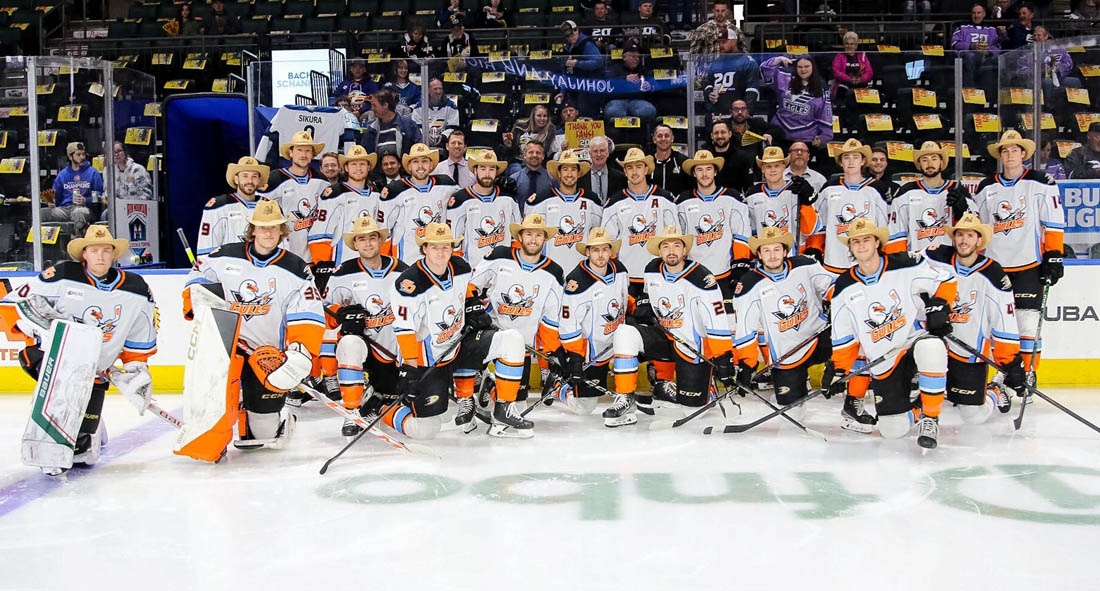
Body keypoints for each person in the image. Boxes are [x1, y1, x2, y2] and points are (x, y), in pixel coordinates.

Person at [1, 225, 157, 475]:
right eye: (94, 250)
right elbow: (15, 303)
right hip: (55, 362)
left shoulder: (136, 289)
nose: (100, 256)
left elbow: (140, 335)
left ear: (114, 255)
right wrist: (34, 326)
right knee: (58, 402)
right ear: (84, 253)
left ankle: (92, 427)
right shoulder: (62, 274)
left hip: (97, 371)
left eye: (106, 251)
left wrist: (135, 369)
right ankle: (49, 442)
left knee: (82, 452)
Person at [181, 201, 324, 456]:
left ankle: (267, 417)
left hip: (267, 355)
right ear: (252, 230)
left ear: (282, 231)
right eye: (262, 227)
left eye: (274, 228)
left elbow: (308, 314)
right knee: (211, 426)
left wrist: (299, 352)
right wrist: (199, 300)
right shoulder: (224, 255)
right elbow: (198, 278)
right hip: (224, 350)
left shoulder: (296, 268)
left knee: (263, 435)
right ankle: (217, 431)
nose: (268, 233)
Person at [385, 222, 527, 438]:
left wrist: (473, 305)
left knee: (513, 340)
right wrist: (411, 371)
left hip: (459, 345)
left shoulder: (460, 267)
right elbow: (405, 330)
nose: (441, 252)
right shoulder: (409, 283)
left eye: (446, 247)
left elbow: (468, 289)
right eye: (434, 247)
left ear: (452, 248)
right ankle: (379, 408)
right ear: (424, 248)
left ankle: (504, 409)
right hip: (429, 360)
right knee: (426, 429)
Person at [824, 218, 957, 448]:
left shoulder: (905, 264)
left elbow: (946, 279)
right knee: (892, 430)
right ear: (851, 247)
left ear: (877, 242)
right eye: (856, 241)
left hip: (912, 342)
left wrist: (940, 306)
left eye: (867, 239)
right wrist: (837, 370)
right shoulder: (843, 287)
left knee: (932, 347)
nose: (862, 245)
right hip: (883, 358)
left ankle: (930, 416)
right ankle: (919, 408)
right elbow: (844, 338)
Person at [606, 225, 734, 426]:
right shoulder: (651, 270)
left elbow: (716, 320)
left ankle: (705, 389)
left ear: (685, 251)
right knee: (624, 332)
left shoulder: (703, 279)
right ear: (660, 251)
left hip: (691, 346)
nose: (671, 251)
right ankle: (626, 397)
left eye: (677, 246)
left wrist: (723, 357)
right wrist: (645, 302)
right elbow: (649, 295)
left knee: (693, 409)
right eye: (666, 246)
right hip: (664, 337)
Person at [972, 130, 1064, 382]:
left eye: (1014, 150)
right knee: (998, 323)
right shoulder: (986, 187)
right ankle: (1005, 373)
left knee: (1026, 323)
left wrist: (1054, 254)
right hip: (994, 267)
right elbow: (978, 228)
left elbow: (1053, 222)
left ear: (1023, 153)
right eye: (1005, 150)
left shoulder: (1040, 181)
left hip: (1028, 266)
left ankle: (1028, 373)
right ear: (1000, 155)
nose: (1010, 154)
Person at [465, 214, 565, 436]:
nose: (533, 239)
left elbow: (549, 318)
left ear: (545, 239)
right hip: (492, 336)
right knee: (507, 398)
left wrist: (553, 351)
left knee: (517, 403)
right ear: (520, 235)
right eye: (528, 233)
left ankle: (491, 385)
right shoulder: (499, 256)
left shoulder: (554, 273)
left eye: (538, 235)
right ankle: (489, 380)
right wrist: (472, 305)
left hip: (524, 346)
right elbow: (471, 285)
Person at [924, 213, 1025, 423]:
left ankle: (996, 389)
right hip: (931, 344)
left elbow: (1003, 321)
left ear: (979, 241)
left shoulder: (993, 273)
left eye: (970, 235)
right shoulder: (934, 258)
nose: (964, 240)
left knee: (972, 416)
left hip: (968, 351)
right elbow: (900, 270)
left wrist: (1010, 362)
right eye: (960, 235)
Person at [732, 226, 833, 420]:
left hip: (820, 336)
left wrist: (832, 300)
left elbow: (833, 285)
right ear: (759, 254)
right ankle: (798, 383)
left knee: (852, 334)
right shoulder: (749, 284)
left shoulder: (805, 265)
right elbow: (746, 328)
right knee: (792, 412)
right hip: (786, 352)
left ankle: (854, 402)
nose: (772, 255)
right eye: (766, 250)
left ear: (785, 251)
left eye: (777, 249)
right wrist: (746, 364)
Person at [323, 216, 409, 436]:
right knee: (349, 343)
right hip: (364, 348)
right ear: (355, 244)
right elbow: (323, 309)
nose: (368, 243)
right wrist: (341, 313)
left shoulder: (403, 270)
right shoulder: (343, 272)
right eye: (362, 239)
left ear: (381, 241)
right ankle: (351, 411)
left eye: (373, 238)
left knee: (397, 398)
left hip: (394, 351)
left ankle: (372, 396)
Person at [557, 227, 629, 414]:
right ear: (588, 252)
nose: (601, 254)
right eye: (595, 250)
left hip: (617, 343)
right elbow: (568, 322)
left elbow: (623, 298)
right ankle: (559, 385)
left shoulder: (620, 270)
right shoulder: (577, 281)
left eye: (605, 249)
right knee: (585, 408)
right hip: (592, 351)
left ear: (611, 251)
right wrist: (575, 357)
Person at [676, 149, 752, 302]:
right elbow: (679, 240)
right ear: (694, 174)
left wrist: (740, 269)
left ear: (715, 172)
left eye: (709, 169)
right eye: (700, 169)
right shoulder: (682, 202)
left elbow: (741, 236)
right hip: (693, 274)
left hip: (725, 274)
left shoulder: (732, 198)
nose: (704, 174)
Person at [806, 139, 891, 273]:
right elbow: (818, 224)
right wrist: (816, 247)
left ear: (863, 161)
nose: (851, 162)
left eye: (856, 157)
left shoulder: (876, 189)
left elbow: (883, 228)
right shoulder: (829, 188)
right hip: (834, 261)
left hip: (866, 262)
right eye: (846, 157)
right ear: (841, 162)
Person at [602, 147, 679, 287]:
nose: (634, 172)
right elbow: (607, 243)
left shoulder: (665, 198)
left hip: (660, 274)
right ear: (625, 172)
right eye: (629, 167)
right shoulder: (614, 203)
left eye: (638, 166)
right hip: (626, 276)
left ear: (646, 169)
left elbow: (676, 238)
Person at [378, 143, 457, 265]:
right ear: (409, 166)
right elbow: (384, 231)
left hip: (439, 260)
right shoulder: (395, 191)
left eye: (425, 161)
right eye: (415, 162)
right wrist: (385, 262)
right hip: (406, 261)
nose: (420, 166)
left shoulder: (447, 185)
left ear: (431, 165)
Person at [888, 142, 971, 253]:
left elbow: (974, 232)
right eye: (924, 159)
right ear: (919, 164)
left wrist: (962, 214)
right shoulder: (906, 193)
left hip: (950, 263)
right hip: (918, 264)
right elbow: (896, 234)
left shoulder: (958, 190)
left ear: (941, 162)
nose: (930, 163)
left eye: (934, 158)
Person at [526, 149, 602, 270]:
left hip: (584, 270)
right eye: (565, 169)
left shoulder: (592, 200)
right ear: (559, 173)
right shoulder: (542, 199)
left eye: (573, 169)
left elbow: (598, 232)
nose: (569, 174)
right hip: (549, 269)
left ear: (578, 173)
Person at [262, 130, 328, 264]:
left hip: (313, 257)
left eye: (308, 151)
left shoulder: (322, 181)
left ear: (312, 154)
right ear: (291, 153)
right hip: (284, 255)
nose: (303, 155)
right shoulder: (274, 179)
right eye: (299, 150)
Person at [309, 145, 380, 269]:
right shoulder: (334, 194)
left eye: (362, 164)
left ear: (369, 167)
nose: (358, 168)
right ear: (346, 167)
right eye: (353, 164)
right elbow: (320, 233)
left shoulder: (377, 195)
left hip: (371, 264)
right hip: (341, 264)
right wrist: (324, 266)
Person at [449, 150, 521, 268]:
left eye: (491, 169)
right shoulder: (461, 199)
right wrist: (462, 268)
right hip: (472, 269)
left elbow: (517, 238)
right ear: (475, 170)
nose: (487, 174)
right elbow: (454, 241)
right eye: (483, 168)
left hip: (502, 268)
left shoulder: (509, 199)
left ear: (497, 172)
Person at [744, 146, 819, 252]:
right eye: (769, 166)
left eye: (777, 166)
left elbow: (811, 229)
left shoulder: (797, 189)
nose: (773, 170)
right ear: (762, 169)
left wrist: (806, 202)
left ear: (784, 167)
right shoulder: (753, 195)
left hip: (795, 255)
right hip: (765, 256)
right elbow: (751, 232)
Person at [197, 156, 271, 256]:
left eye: (254, 176)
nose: (250, 181)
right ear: (236, 179)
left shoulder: (271, 207)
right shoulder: (218, 206)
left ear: (258, 180)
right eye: (245, 176)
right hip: (229, 268)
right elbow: (206, 249)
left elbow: (282, 246)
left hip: (263, 269)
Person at [760, 56, 834, 151]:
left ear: (813, 67)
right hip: (779, 132)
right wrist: (779, 59)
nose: (803, 70)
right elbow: (765, 69)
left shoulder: (821, 87)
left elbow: (825, 113)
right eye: (800, 67)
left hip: (806, 138)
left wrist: (824, 136)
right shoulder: (785, 77)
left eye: (807, 66)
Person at [721, 101, 782, 192]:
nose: (740, 112)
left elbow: (779, 131)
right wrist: (716, 124)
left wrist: (769, 134)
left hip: (754, 170)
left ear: (747, 111)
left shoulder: (757, 123)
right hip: (731, 170)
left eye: (743, 109)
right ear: (731, 112)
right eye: (736, 109)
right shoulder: (724, 126)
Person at [45, 142, 101, 237]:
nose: (82, 157)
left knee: (78, 213)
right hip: (64, 210)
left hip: (85, 208)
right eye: (78, 154)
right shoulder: (62, 175)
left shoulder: (93, 173)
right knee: (43, 213)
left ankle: (77, 242)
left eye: (83, 154)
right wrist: (51, 201)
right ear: (70, 157)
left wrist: (86, 200)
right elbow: (54, 196)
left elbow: (99, 196)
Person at [1017, 26, 1081, 102]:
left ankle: (1076, 108)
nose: (1036, 37)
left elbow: (1069, 63)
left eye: (1039, 35)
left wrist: (1058, 68)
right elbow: (1021, 70)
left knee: (1075, 81)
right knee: (1048, 82)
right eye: (1034, 35)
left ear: (1046, 36)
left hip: (1058, 77)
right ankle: (1049, 107)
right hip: (1037, 79)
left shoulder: (1058, 49)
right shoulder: (1028, 52)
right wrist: (1040, 71)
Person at [604, 41, 658, 126]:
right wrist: (624, 79)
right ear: (624, 57)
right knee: (614, 112)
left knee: (649, 110)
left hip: (638, 100)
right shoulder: (614, 68)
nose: (636, 59)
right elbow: (607, 84)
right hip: (617, 100)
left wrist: (650, 86)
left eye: (638, 57)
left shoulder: (643, 69)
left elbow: (653, 84)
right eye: (633, 56)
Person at [360, 88, 422, 156]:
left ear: (385, 105)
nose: (372, 109)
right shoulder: (371, 129)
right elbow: (366, 156)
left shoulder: (408, 125)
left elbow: (419, 148)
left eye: (374, 105)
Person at [952, 4, 1002, 88]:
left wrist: (989, 51)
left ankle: (990, 93)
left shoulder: (992, 29)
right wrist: (971, 46)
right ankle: (971, 91)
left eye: (979, 13)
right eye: (974, 13)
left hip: (987, 58)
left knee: (997, 60)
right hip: (969, 57)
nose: (976, 16)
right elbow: (955, 44)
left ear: (984, 14)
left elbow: (998, 46)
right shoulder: (963, 27)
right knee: (970, 56)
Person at [831, 32, 873, 128]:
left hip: (860, 84)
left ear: (856, 45)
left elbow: (869, 72)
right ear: (843, 45)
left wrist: (861, 79)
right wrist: (849, 79)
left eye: (852, 44)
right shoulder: (839, 56)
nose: (849, 46)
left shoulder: (862, 56)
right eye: (847, 44)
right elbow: (836, 72)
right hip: (844, 85)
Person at [501, 105, 556, 173]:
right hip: (519, 163)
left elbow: (549, 156)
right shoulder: (519, 129)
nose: (542, 118)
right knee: (519, 171)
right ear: (533, 117)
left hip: (539, 164)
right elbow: (511, 154)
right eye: (539, 115)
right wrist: (509, 146)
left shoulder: (550, 132)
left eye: (545, 116)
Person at [411, 78, 460, 148]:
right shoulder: (419, 106)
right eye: (435, 89)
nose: (438, 91)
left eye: (440, 88)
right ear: (428, 90)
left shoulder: (451, 105)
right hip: (423, 143)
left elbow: (453, 127)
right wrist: (425, 136)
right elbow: (416, 127)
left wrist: (442, 137)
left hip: (444, 143)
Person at [580, 136, 625, 205]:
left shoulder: (620, 177)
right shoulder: (581, 178)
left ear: (608, 153)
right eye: (595, 151)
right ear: (590, 153)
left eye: (602, 150)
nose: (599, 154)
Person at [705, 120, 746, 191]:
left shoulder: (742, 157)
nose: (719, 136)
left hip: (734, 199)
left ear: (730, 134)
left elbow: (747, 186)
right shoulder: (706, 157)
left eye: (723, 132)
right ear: (711, 136)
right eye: (716, 133)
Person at [650, 124, 691, 196]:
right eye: (659, 136)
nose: (663, 139)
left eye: (667, 136)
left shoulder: (684, 162)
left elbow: (691, 189)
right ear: (654, 139)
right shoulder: (647, 163)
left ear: (672, 138)